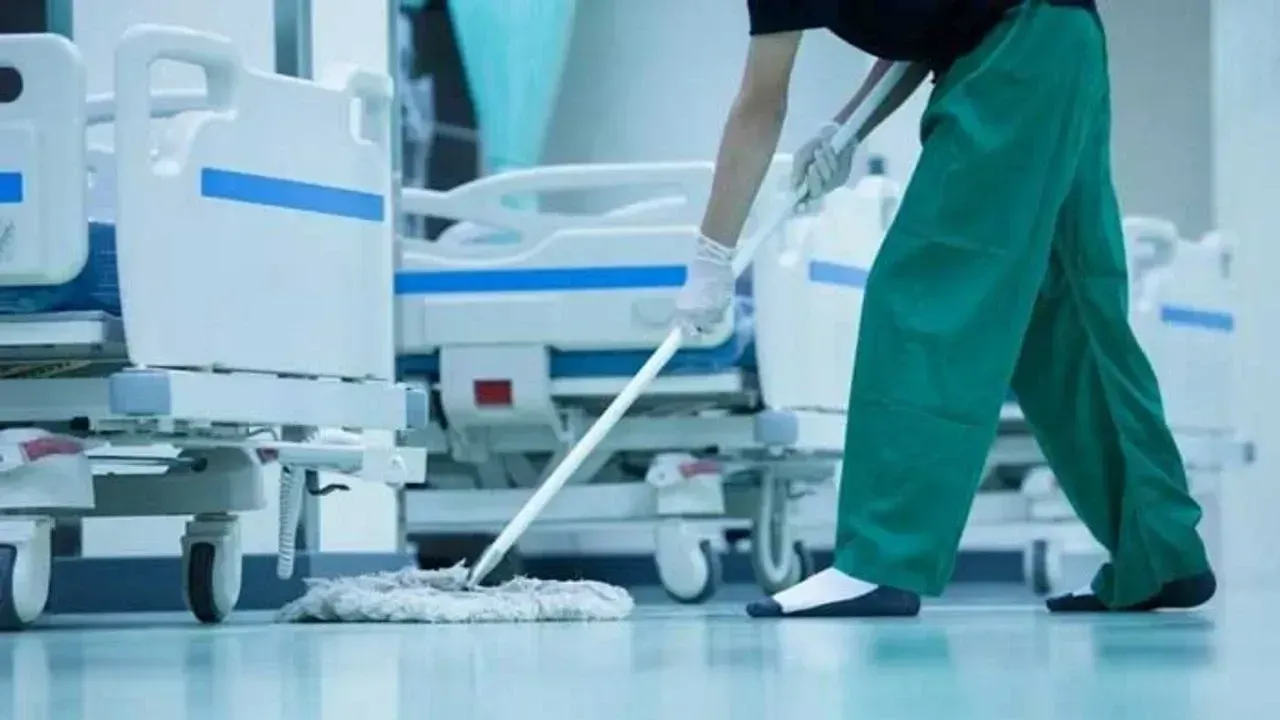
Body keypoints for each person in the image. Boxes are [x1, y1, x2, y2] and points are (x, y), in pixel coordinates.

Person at [674, 0, 1217, 618]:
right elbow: (930, 25)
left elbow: (760, 105)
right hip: (1061, 38)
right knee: (1068, 309)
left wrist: (711, 255)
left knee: (923, 293)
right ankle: (1159, 551)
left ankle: (879, 561)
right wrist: (845, 130)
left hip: (1018, 50)